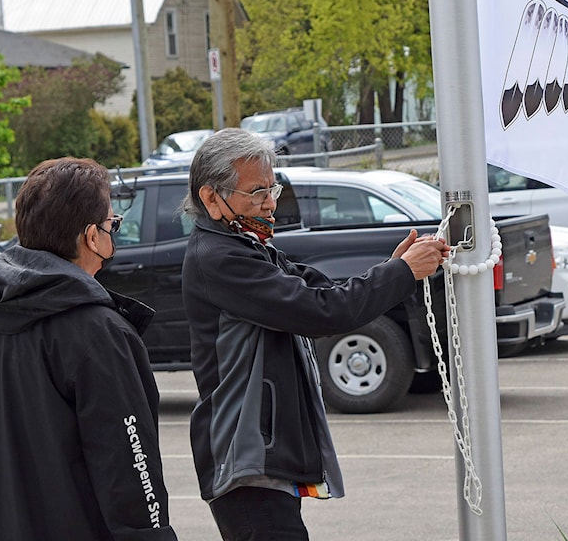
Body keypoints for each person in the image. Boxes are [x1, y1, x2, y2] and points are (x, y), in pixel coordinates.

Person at [181, 128, 449, 541]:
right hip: (246, 460)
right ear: (211, 198)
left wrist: (392, 268)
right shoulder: (220, 258)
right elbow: (322, 312)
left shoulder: (248, 246)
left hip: (261, 458)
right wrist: (401, 273)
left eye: (272, 188)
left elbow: (321, 290)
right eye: (256, 193)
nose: (270, 202)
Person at [0, 158, 178, 540]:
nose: (114, 234)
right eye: (113, 225)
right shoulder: (99, 333)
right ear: (91, 237)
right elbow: (130, 472)